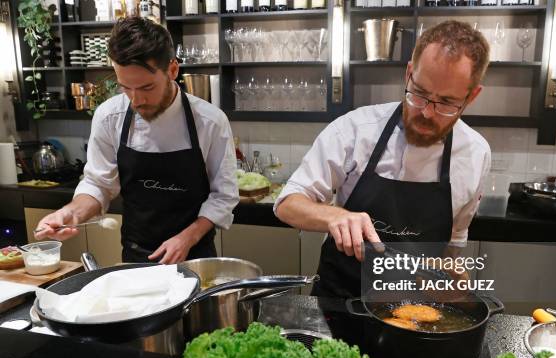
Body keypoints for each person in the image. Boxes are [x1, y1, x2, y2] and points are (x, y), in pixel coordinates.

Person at [274, 21, 491, 298]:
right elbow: (287, 203)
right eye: (420, 93)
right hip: (341, 301)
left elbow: (452, 244)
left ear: (471, 97)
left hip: (412, 314)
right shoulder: (354, 130)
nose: (426, 112)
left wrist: (446, 277)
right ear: (409, 73)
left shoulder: (475, 154)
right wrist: (335, 217)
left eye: (446, 102)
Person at [35, 17, 238, 264]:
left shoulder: (210, 122)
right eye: (125, 88)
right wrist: (70, 213)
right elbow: (99, 185)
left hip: (195, 256)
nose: (136, 100)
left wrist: (187, 238)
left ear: (173, 70)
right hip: (136, 255)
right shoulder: (110, 117)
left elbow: (223, 196)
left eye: (146, 88)